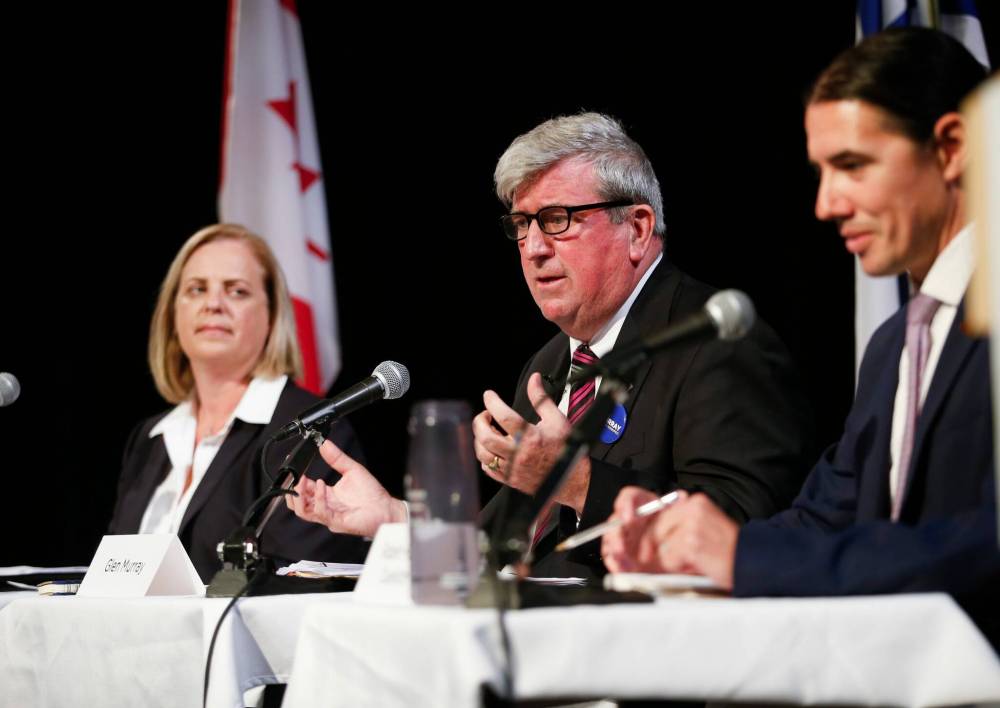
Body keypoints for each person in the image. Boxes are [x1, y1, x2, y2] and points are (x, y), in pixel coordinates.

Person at [602, 27, 999, 648]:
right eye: (820, 172)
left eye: (852, 166)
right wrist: (680, 540)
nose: (825, 204)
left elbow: (986, 545)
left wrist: (742, 559)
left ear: (951, 147)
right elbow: (823, 519)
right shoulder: (896, 342)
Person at [287, 114, 815, 580]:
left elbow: (737, 528)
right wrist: (395, 518)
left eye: (558, 219)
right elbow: (502, 543)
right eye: (522, 225)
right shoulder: (550, 363)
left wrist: (578, 481)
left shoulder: (715, 344)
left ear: (637, 227)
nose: (534, 248)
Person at [108, 224, 368, 582]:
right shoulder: (150, 437)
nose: (213, 304)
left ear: (271, 316)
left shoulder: (311, 428)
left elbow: (298, 583)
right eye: (197, 289)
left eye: (237, 291)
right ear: (173, 314)